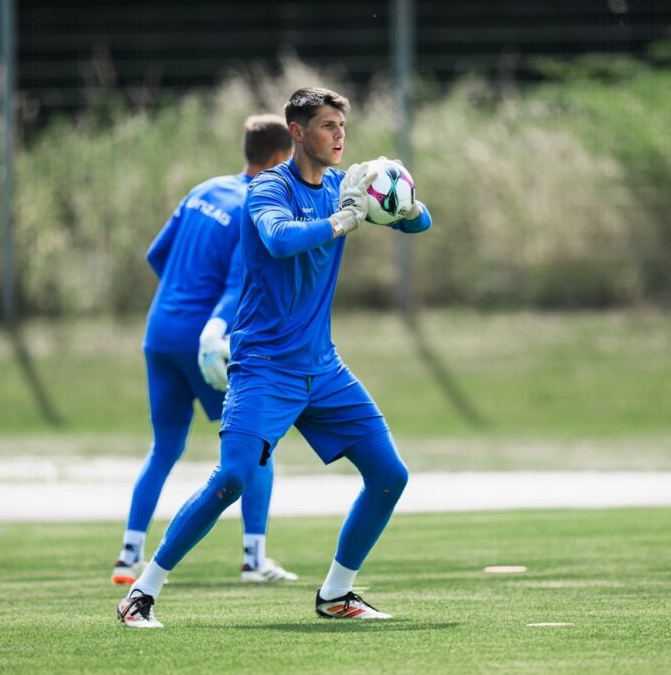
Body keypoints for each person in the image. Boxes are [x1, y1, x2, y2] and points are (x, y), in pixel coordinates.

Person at [117, 86, 432, 628]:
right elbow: (282, 240)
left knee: (389, 475)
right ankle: (140, 593)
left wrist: (400, 199)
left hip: (323, 368)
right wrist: (344, 221)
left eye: (342, 126)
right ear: (297, 132)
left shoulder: (340, 185)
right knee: (232, 478)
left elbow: (419, 225)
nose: (339, 136)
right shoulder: (266, 189)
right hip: (263, 366)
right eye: (328, 125)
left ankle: (337, 595)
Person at [111, 114, 297, 588]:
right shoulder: (254, 206)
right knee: (256, 447)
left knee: (165, 448)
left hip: (159, 333)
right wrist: (212, 324)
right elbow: (240, 285)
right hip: (206, 344)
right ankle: (254, 559)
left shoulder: (203, 190)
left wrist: (181, 297)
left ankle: (128, 555)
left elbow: (158, 254)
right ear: (280, 158)